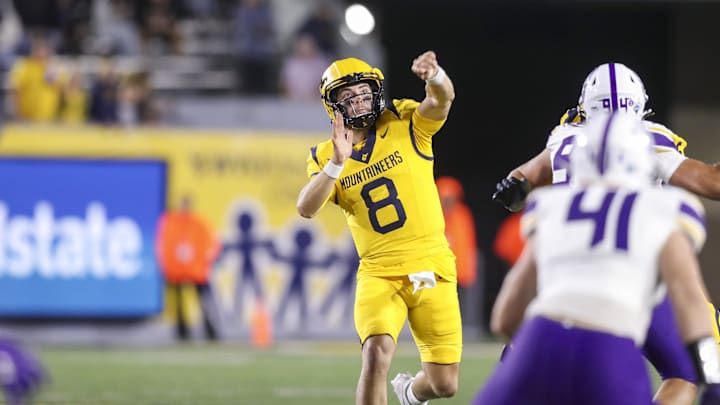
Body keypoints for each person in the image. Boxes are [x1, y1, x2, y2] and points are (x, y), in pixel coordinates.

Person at [491, 62, 720, 405]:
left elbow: (506, 317)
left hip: (555, 304)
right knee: (692, 368)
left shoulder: (562, 155)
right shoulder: (660, 191)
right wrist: (711, 374)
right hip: (631, 294)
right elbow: (710, 185)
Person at [296, 51, 459, 405]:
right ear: (333, 106)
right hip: (379, 272)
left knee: (445, 383)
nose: (359, 102)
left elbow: (442, 99)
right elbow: (306, 208)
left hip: (431, 263)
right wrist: (337, 165)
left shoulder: (403, 120)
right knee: (375, 354)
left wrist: (435, 75)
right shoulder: (326, 154)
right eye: (348, 97)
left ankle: (410, 393)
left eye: (364, 93)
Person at [155, 194, 221, 341]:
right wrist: (167, 265)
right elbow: (164, 245)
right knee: (179, 305)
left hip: (196, 270)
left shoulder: (198, 223)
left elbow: (211, 243)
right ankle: (182, 331)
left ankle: (210, 330)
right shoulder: (171, 222)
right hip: (177, 270)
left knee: (203, 302)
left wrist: (204, 261)